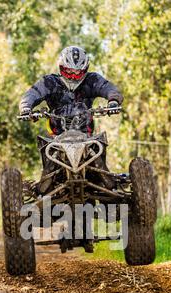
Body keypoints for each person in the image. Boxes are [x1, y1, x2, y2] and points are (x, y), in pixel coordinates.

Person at [19, 45, 123, 192]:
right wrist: (26, 108)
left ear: (85, 70)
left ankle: (108, 184)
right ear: (61, 67)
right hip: (57, 137)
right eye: (69, 72)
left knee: (99, 144)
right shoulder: (50, 82)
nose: (73, 77)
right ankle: (45, 187)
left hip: (86, 136)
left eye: (78, 73)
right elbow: (31, 95)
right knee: (46, 149)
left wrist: (113, 100)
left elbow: (109, 88)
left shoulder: (92, 80)